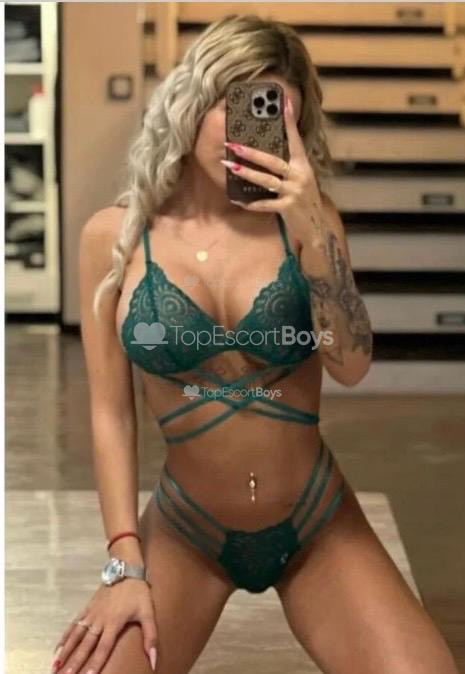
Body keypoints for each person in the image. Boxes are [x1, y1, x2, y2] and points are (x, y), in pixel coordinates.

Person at [51, 14, 459, 674]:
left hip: (315, 521)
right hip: (187, 530)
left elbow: (351, 364)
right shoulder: (114, 236)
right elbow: (111, 413)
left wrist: (311, 228)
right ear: (191, 103)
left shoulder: (309, 223)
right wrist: (124, 561)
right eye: (234, 103)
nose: (247, 131)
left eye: (273, 114)